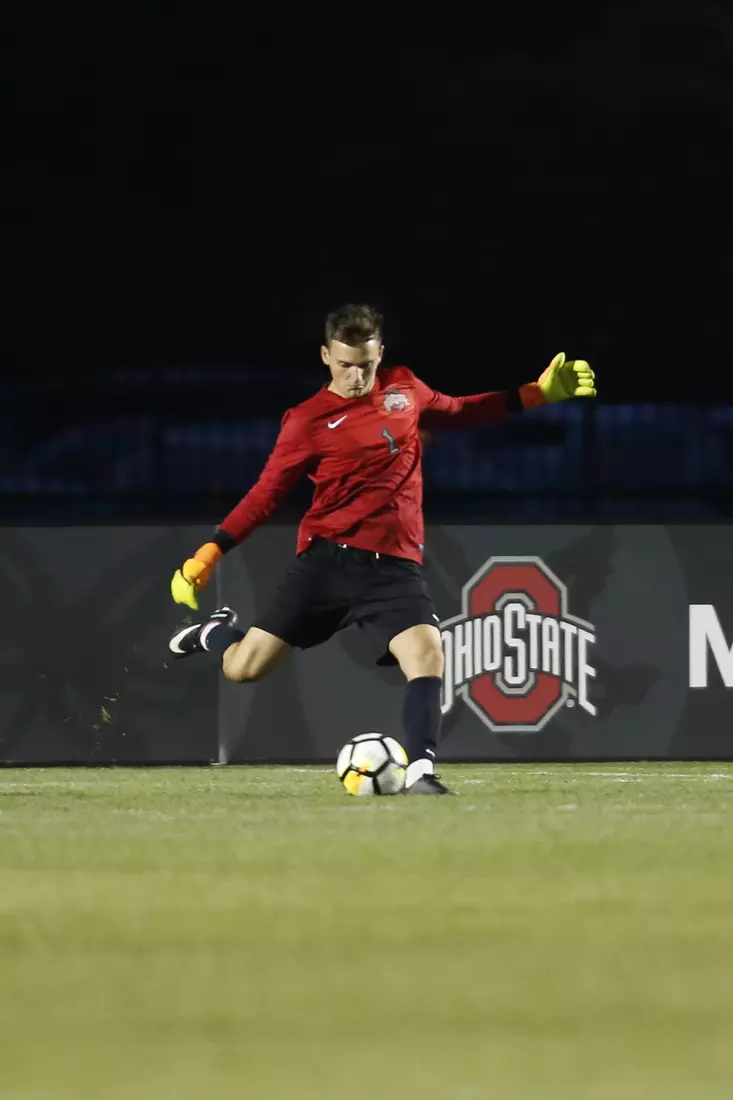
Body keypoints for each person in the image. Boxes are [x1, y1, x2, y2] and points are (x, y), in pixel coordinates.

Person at [169, 304, 596, 793]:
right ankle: (216, 633)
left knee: (428, 653)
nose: (356, 376)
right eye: (346, 365)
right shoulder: (306, 421)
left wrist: (536, 394)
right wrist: (210, 552)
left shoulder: (404, 388)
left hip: (393, 567)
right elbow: (266, 495)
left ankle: (420, 772)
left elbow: (459, 411)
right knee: (242, 668)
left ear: (381, 354)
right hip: (328, 561)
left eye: (366, 364)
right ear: (326, 356)